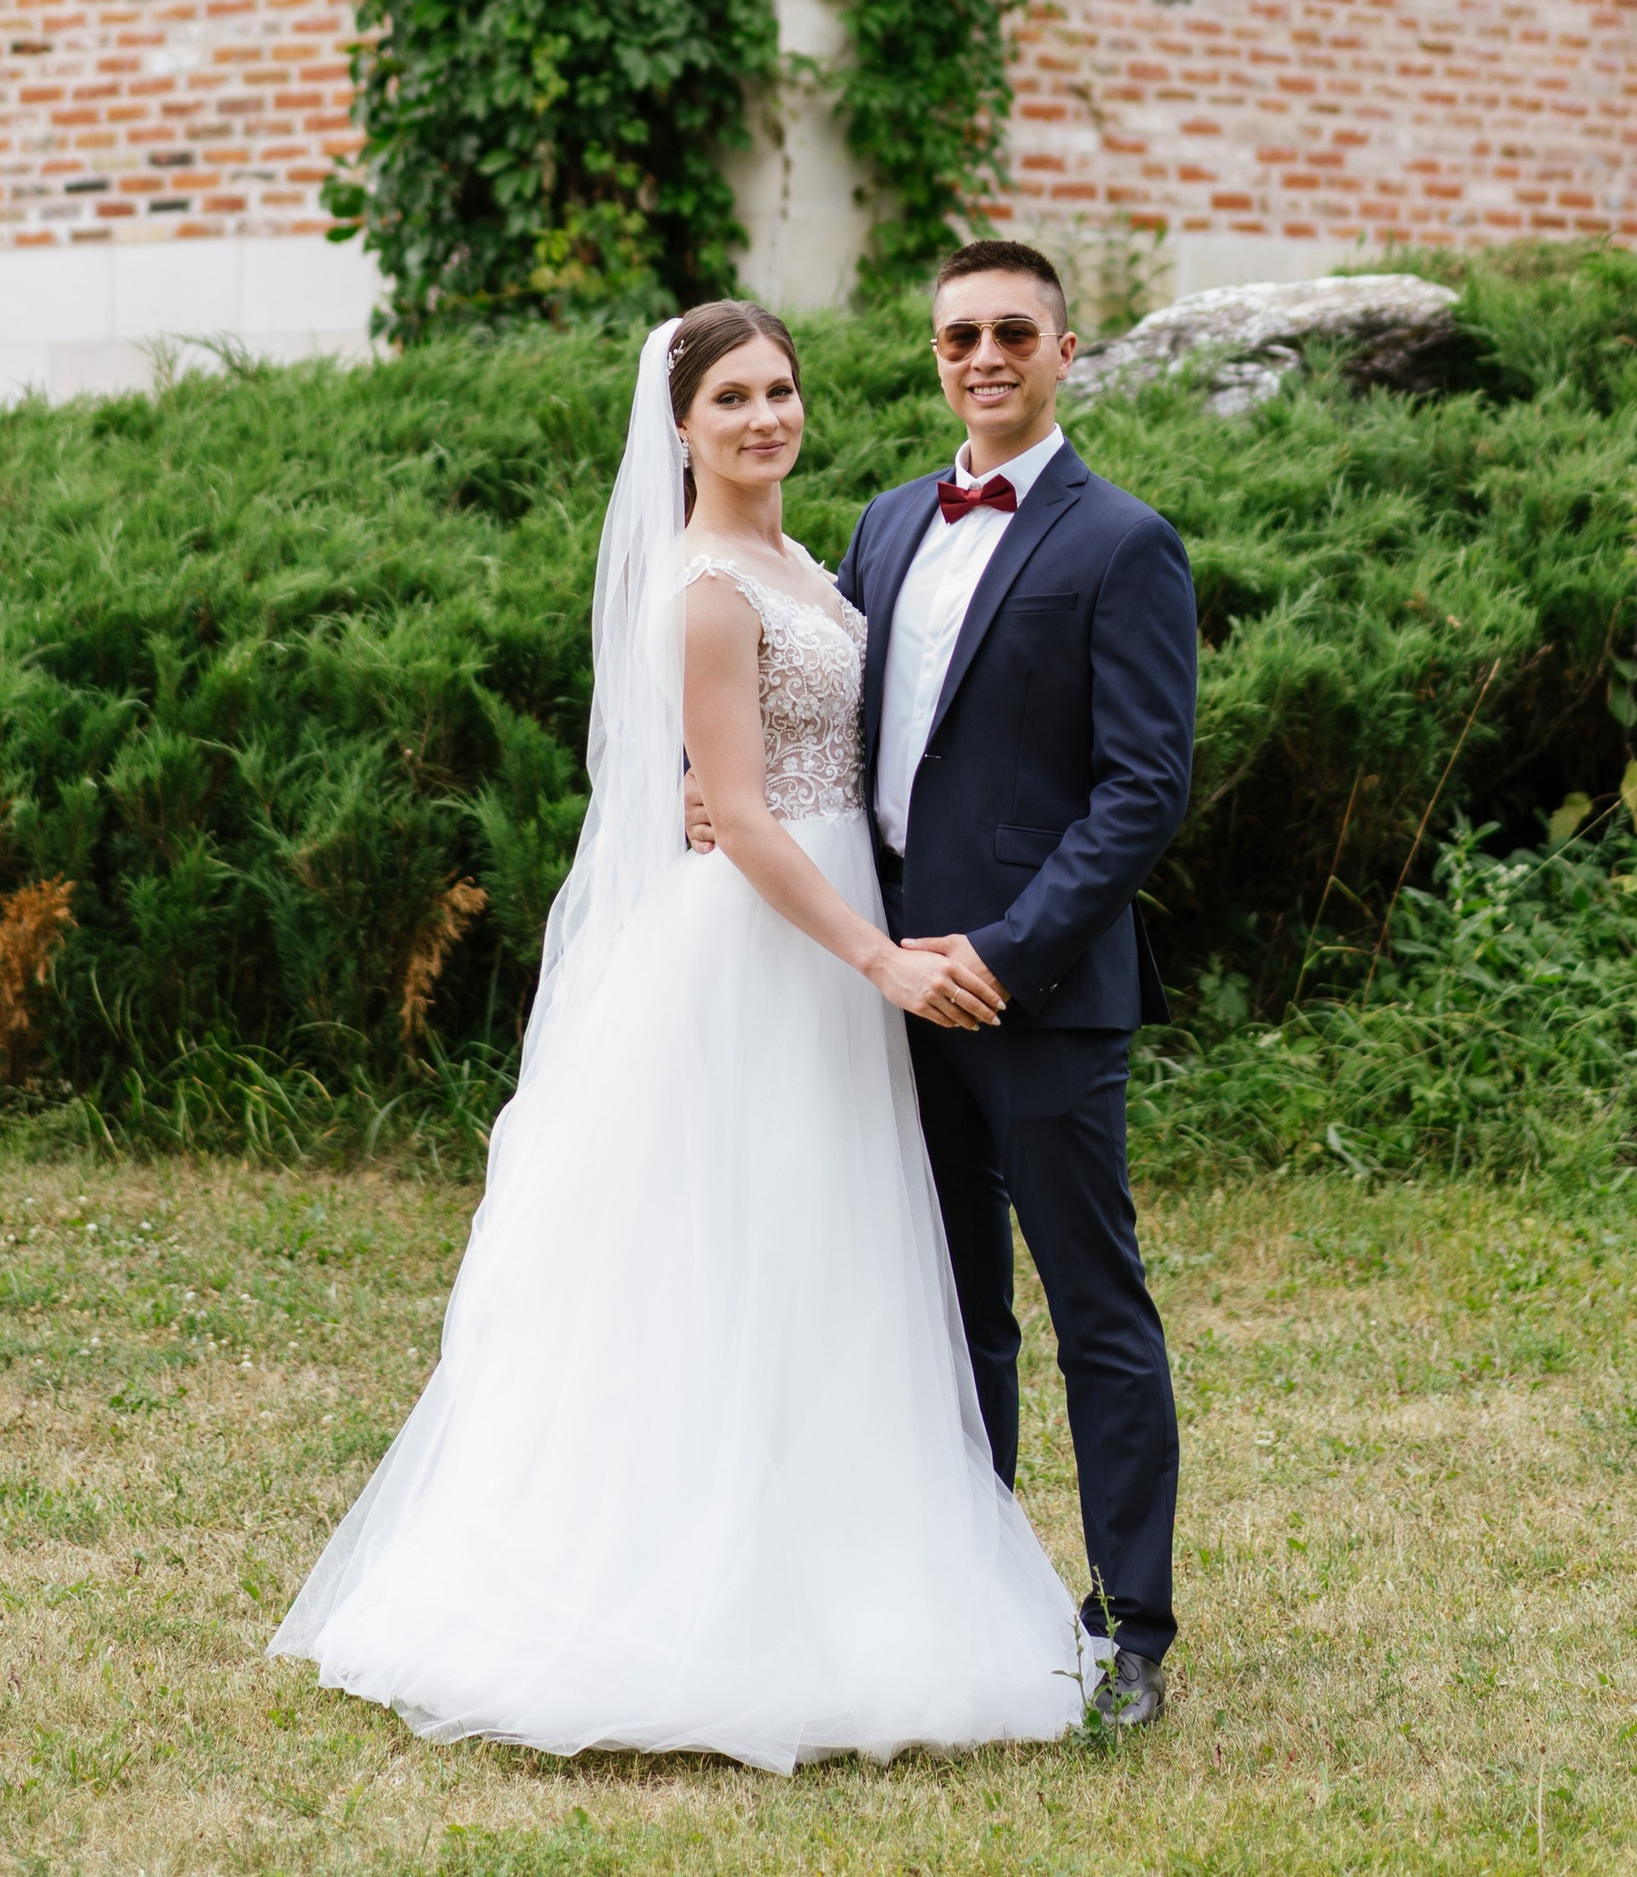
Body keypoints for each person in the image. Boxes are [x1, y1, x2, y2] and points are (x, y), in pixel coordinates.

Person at [267, 301, 1093, 1769]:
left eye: (781, 389)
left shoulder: (810, 562)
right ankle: (699, 1594)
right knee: (735, 1253)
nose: (767, 418)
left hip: (840, 920)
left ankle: (844, 1560)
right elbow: (746, 810)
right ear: (681, 428)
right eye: (733, 400)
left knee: (834, 1253)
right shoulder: (707, 585)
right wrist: (873, 960)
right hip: (771, 947)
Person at [688, 236, 1197, 1726]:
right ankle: (968, 1598)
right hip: (878, 985)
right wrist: (713, 799)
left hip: (1034, 992)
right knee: (944, 1310)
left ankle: (1133, 1627)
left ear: (1064, 351)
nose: (984, 357)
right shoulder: (885, 524)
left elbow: (1142, 787)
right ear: (935, 354)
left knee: (1094, 1303)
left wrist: (1004, 951)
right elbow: (814, 717)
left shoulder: (1124, 543)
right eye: (958, 335)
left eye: (1013, 335)